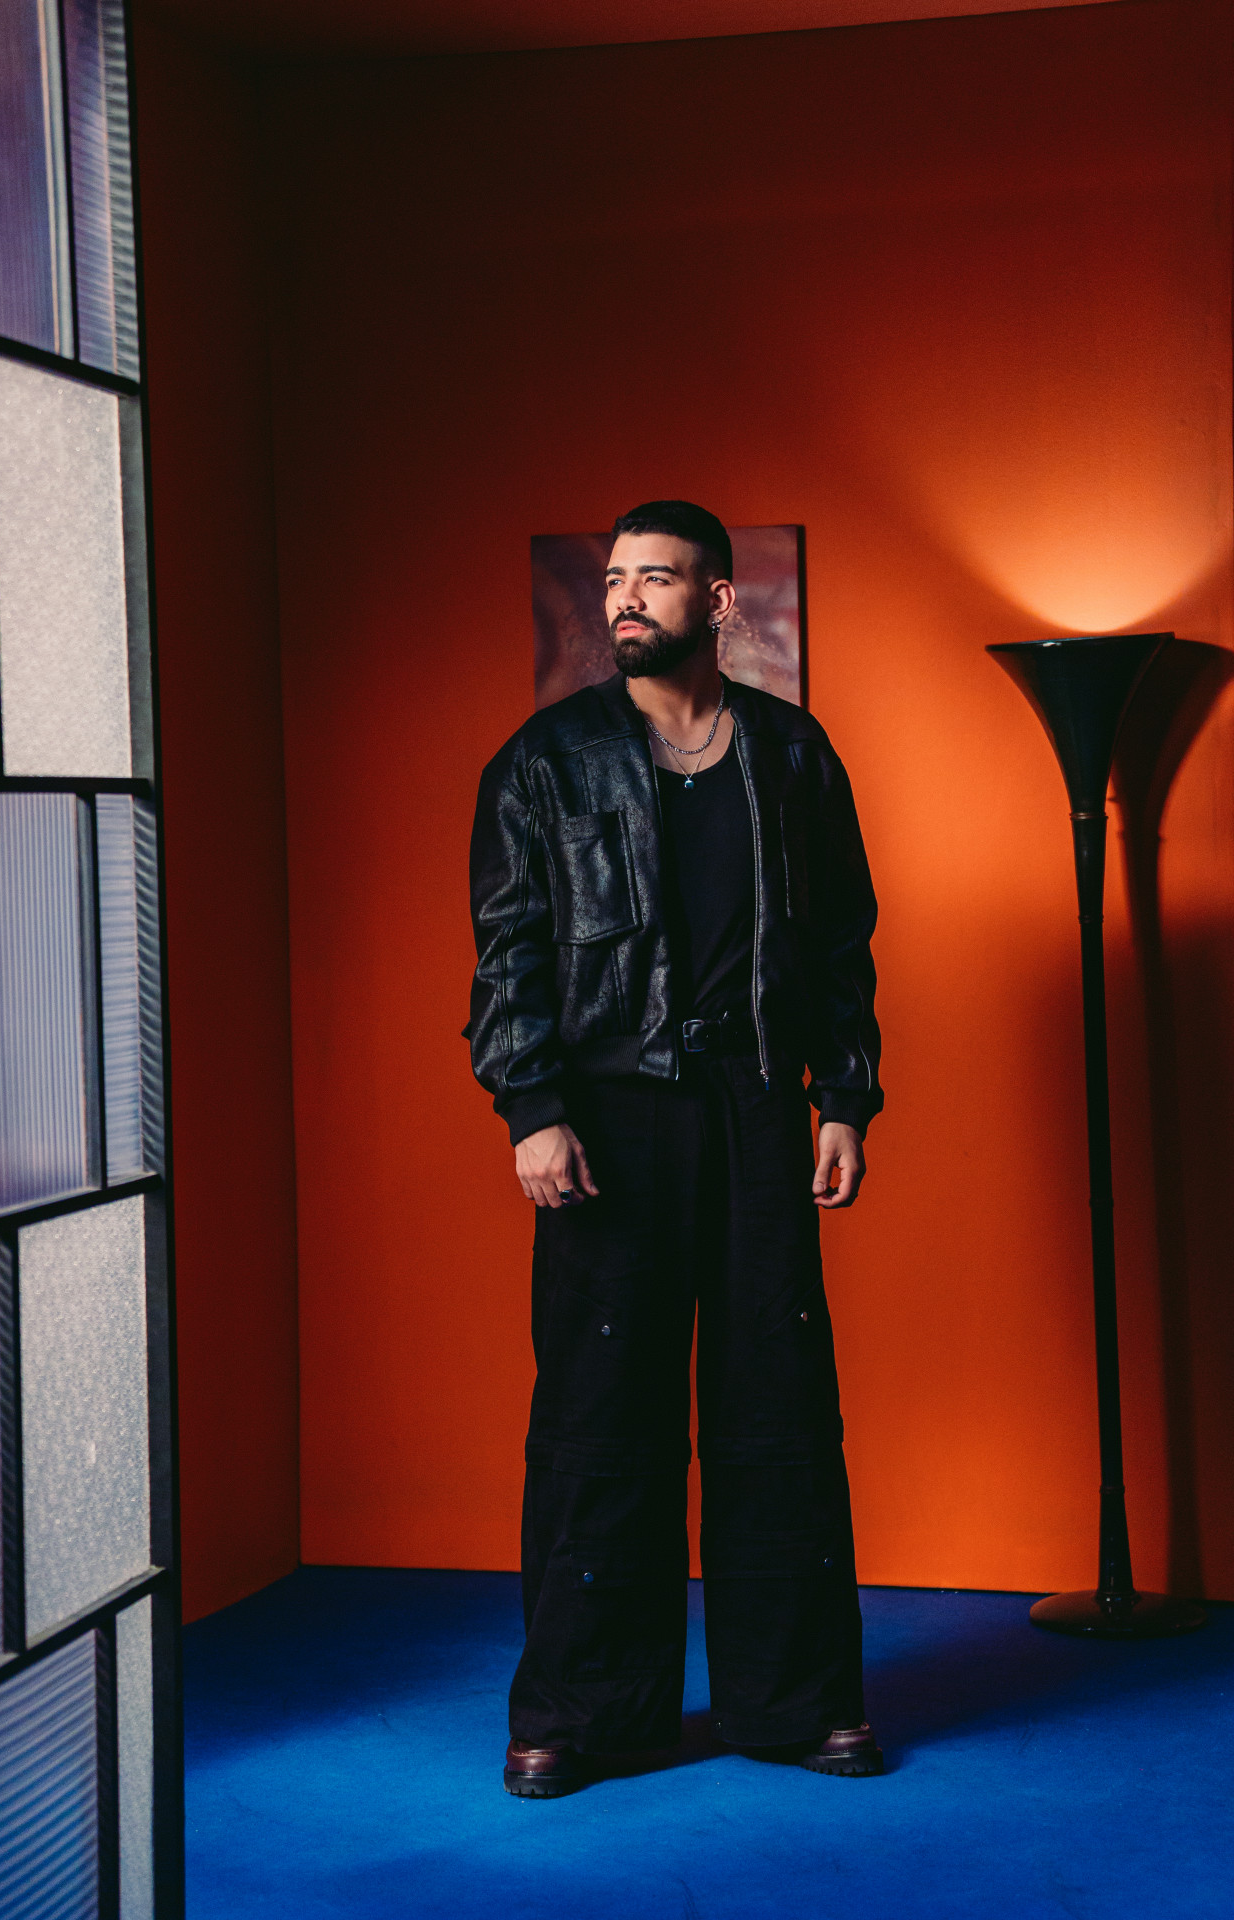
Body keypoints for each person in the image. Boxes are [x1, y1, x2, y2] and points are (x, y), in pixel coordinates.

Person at [466, 499, 883, 1797]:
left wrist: (843, 1097)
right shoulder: (544, 761)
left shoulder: (795, 754)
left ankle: (797, 1705)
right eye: (614, 579)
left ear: (719, 601)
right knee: (598, 1420)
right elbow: (507, 954)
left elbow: (840, 944)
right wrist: (532, 1105)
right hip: (606, 1121)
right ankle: (582, 1714)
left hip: (756, 1109)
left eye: (656, 577)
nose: (626, 598)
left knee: (780, 1414)